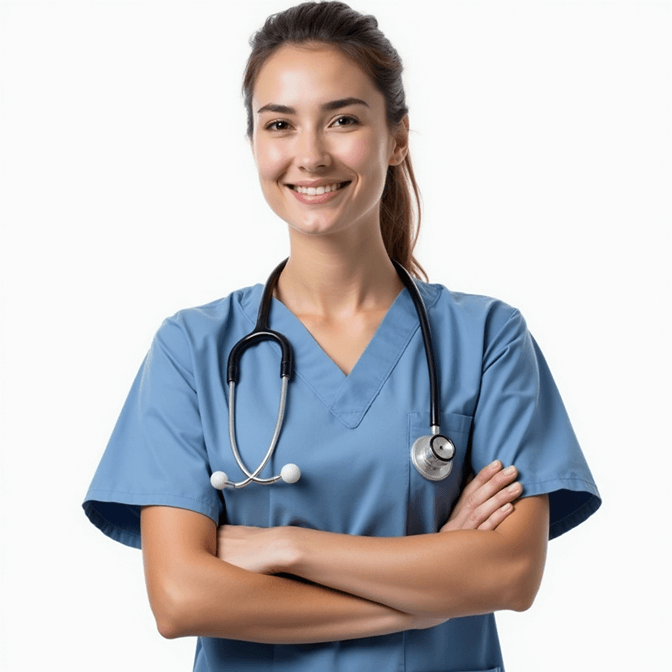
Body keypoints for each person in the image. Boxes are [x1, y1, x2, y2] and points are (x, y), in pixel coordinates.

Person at [83, 2, 601, 670]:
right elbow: (182, 598)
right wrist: (432, 594)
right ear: (254, 143)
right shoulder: (193, 349)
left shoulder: (489, 339)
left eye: (344, 119)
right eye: (279, 124)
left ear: (397, 137)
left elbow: (509, 575)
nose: (310, 154)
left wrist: (287, 546)